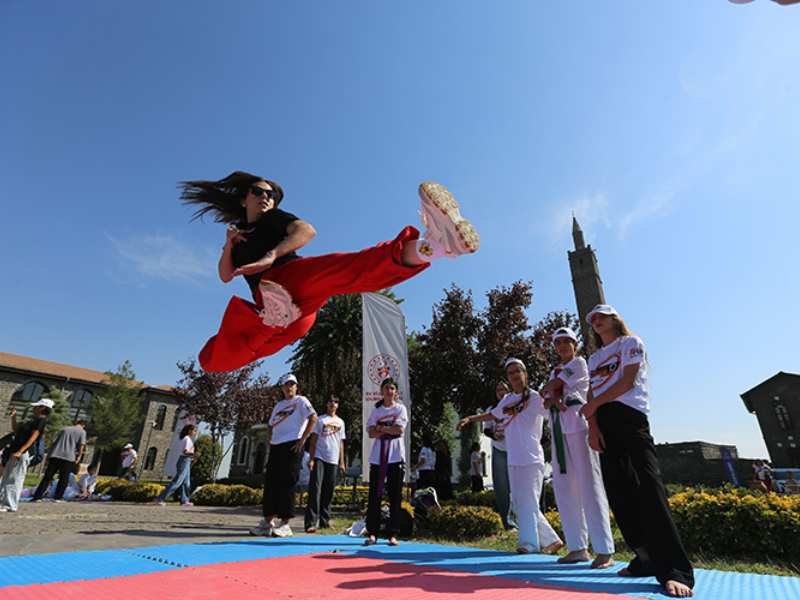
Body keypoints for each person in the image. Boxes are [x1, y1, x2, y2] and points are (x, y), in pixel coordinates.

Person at [180, 172, 479, 372]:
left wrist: (271, 254)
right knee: (211, 359)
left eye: (272, 195)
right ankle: (272, 318)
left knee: (349, 271)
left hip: (287, 278)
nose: (267, 198)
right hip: (290, 316)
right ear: (244, 198)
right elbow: (225, 275)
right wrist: (228, 244)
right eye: (259, 192)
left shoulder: (272, 219)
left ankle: (436, 246)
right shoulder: (237, 233)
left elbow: (306, 231)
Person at [578, 305, 694, 598]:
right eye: (593, 320)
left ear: (615, 319)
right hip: (604, 423)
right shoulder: (593, 358)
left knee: (649, 486)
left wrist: (593, 405)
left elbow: (627, 381)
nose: (596, 321)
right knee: (619, 490)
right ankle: (645, 558)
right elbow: (591, 394)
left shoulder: (631, 343)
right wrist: (593, 426)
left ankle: (675, 570)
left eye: (602, 316)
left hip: (631, 418)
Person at [457, 359, 564, 555]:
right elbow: (492, 415)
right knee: (520, 501)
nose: (514, 375)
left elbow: (552, 410)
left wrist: (563, 399)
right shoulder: (506, 401)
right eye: (510, 372)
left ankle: (529, 544)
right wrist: (471, 418)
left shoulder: (534, 397)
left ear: (525, 374)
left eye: (517, 371)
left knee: (529, 502)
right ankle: (552, 540)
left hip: (532, 458)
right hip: (513, 458)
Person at [538, 327, 615, 569]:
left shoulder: (580, 363)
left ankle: (605, 550)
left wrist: (551, 396)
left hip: (580, 429)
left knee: (590, 486)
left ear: (575, 344)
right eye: (558, 342)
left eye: (566, 342)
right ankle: (577, 547)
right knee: (563, 488)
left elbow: (551, 387)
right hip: (559, 432)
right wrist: (551, 399)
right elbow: (545, 397)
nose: (562, 346)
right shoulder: (555, 369)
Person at [250, 374, 317, 538]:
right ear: (282, 388)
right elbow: (270, 425)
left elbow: (313, 418)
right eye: (286, 385)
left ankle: (285, 524)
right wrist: (271, 443)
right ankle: (267, 522)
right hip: (277, 447)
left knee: (288, 483)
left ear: (296, 387)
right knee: (271, 483)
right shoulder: (279, 405)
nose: (289, 387)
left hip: (293, 445)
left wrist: (303, 439)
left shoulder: (301, 401)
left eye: (292, 384)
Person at [364, 377, 408, 547]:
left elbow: (399, 430)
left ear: (396, 392)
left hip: (395, 458)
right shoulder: (376, 411)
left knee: (395, 496)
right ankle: (373, 533)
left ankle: (393, 534)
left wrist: (381, 428)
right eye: (386, 388)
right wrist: (385, 430)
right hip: (377, 459)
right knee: (375, 495)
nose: (389, 391)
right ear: (381, 391)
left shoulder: (400, 409)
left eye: (392, 388)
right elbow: (370, 432)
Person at [0, 399, 52, 512]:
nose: (34, 408)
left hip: (22, 453)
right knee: (7, 477)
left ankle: (10, 505)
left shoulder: (41, 421)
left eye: (36, 406)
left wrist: (20, 451)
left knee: (15, 478)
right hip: (15, 451)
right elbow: (16, 430)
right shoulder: (33, 420)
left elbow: (33, 437)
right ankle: (3, 502)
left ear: (43, 408)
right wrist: (13, 418)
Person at [305, 395, 346, 533]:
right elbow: (313, 440)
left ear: (338, 405)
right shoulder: (321, 420)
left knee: (329, 491)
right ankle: (311, 522)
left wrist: (342, 462)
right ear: (326, 404)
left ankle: (325, 521)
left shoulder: (340, 422)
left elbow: (341, 442)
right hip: (319, 458)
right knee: (315, 489)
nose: (333, 404)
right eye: (330, 401)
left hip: (333, 460)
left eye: (335, 402)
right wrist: (311, 459)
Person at [484, 381, 518, 531]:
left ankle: (523, 520)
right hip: (499, 451)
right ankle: (508, 523)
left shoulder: (516, 406)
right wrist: (494, 436)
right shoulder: (491, 410)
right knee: (502, 488)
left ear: (509, 390)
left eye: (503, 389)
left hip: (516, 449)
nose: (501, 392)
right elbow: (486, 430)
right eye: (498, 390)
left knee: (518, 487)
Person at [31, 420, 87, 503]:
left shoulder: (64, 429)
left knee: (47, 477)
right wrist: (79, 455)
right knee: (64, 478)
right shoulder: (82, 432)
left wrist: (49, 454)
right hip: (68, 457)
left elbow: (53, 442)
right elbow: (81, 444)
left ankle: (37, 496)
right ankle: (58, 497)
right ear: (84, 426)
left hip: (55, 455)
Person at [153, 424, 198, 507]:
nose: (195, 432)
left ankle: (184, 500)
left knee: (186, 483)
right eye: (194, 430)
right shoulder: (186, 439)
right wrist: (194, 454)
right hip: (184, 461)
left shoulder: (187, 439)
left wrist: (192, 458)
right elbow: (185, 452)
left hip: (186, 460)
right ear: (190, 431)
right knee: (177, 482)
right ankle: (160, 498)